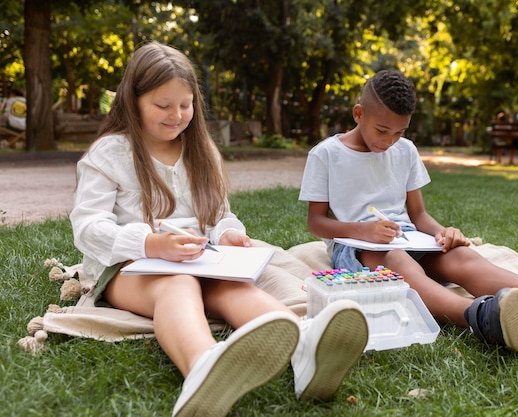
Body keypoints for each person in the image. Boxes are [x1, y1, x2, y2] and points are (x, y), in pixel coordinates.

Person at [70, 42, 369, 417]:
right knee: (177, 284)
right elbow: (87, 227)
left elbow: (217, 215)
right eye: (163, 106)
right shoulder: (109, 153)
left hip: (199, 258)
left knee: (232, 285)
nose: (177, 115)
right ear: (133, 100)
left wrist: (227, 233)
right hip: (129, 265)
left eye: (185, 104)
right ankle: (203, 365)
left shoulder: (201, 151)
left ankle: (306, 345)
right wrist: (149, 243)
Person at [298, 69, 518, 353]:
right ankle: (479, 316)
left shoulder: (405, 151)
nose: (390, 141)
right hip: (356, 246)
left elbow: (418, 215)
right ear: (358, 114)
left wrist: (442, 232)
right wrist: (362, 231)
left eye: (400, 132)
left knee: (462, 256)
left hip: (407, 237)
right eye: (382, 131)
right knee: (396, 260)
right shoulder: (326, 154)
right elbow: (317, 223)